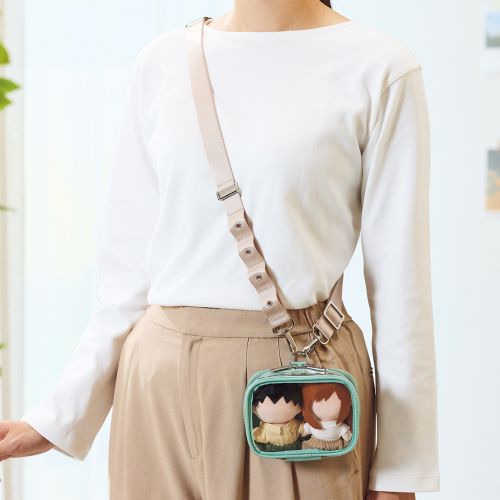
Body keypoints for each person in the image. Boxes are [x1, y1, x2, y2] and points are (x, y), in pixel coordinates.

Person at [0, 1, 440, 499]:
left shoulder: (380, 67)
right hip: (157, 391)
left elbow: (402, 289)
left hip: (297, 384)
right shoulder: (161, 63)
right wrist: (57, 417)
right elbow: (125, 284)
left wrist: (400, 472)